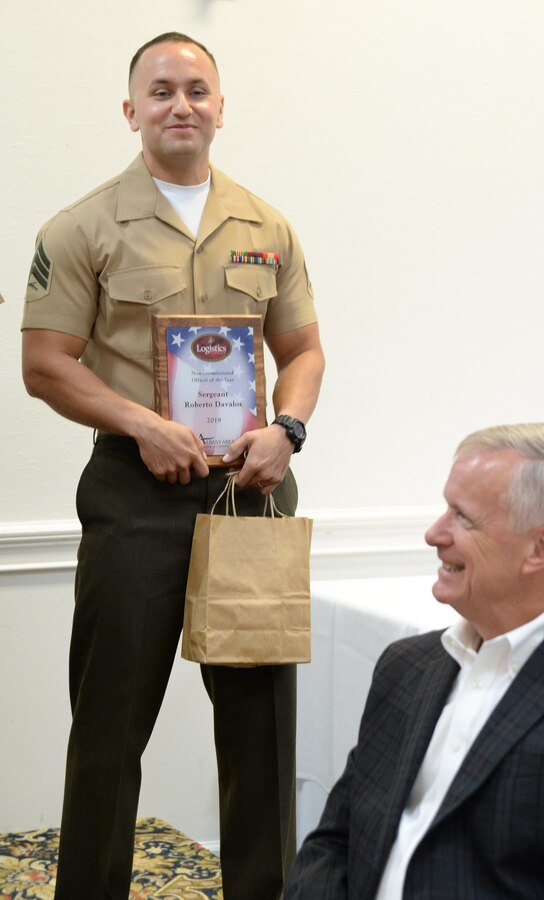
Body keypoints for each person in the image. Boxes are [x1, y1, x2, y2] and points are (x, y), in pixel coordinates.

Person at [22, 32, 324, 900]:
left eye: (197, 90)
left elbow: (303, 350)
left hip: (250, 490)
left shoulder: (268, 227)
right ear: (131, 112)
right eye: (161, 92)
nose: (180, 105)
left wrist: (289, 429)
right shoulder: (79, 228)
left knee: (261, 725)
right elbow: (45, 361)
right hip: (135, 491)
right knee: (111, 723)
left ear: (221, 107)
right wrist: (140, 424)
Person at [285, 423, 544, 899]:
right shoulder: (409, 666)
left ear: (541, 548)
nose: (434, 533)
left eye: (463, 518)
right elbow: (336, 842)